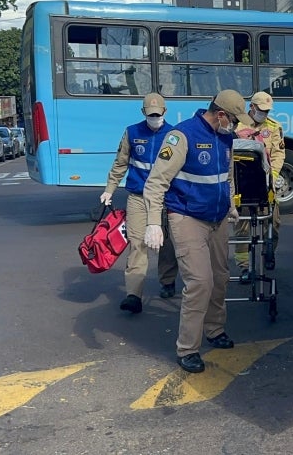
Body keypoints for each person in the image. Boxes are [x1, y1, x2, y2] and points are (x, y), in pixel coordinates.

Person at [143, 89, 253, 374]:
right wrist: (154, 221)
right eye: (233, 119)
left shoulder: (226, 137)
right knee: (200, 282)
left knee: (220, 277)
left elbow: (227, 176)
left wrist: (230, 203)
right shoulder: (182, 136)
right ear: (220, 115)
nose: (236, 125)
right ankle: (187, 348)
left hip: (216, 218)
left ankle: (215, 330)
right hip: (187, 217)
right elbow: (156, 182)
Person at [100, 93, 178, 315]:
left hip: (166, 197)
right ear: (143, 113)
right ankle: (133, 295)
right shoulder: (132, 133)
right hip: (138, 196)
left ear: (164, 112)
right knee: (137, 244)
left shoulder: (174, 135)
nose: (155, 118)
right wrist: (109, 189)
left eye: (158, 114)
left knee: (167, 243)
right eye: (150, 114)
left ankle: (168, 279)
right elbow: (120, 163)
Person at [233, 91, 285, 268]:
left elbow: (278, 154)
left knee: (274, 222)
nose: (265, 113)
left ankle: (269, 252)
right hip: (242, 183)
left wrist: (273, 176)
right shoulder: (237, 126)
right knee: (242, 227)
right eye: (262, 109)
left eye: (268, 111)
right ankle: (244, 265)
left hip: (266, 182)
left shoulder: (274, 127)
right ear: (252, 107)